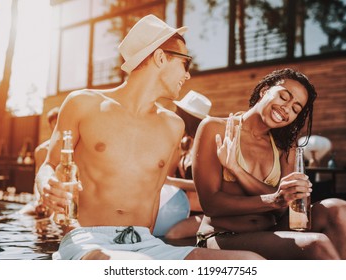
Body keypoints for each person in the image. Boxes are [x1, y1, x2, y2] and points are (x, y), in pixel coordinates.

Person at [36, 14, 263, 260]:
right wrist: (47, 183)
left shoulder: (172, 125)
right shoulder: (83, 103)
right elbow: (49, 165)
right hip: (89, 240)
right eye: (185, 63)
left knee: (251, 262)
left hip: (147, 243)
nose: (188, 75)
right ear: (160, 57)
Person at [192, 68, 346, 260]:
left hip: (272, 231)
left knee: (340, 210)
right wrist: (276, 198)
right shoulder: (214, 128)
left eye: (295, 109)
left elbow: (282, 207)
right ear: (264, 90)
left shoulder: (285, 146)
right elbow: (211, 205)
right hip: (223, 236)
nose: (287, 108)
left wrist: (238, 170)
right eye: (284, 97)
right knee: (316, 244)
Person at [153, 90, 211, 239]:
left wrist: (171, 182)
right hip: (178, 210)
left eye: (178, 113)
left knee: (173, 235)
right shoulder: (184, 144)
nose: (174, 116)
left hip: (205, 213)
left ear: (188, 119)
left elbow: (206, 186)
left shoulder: (206, 146)